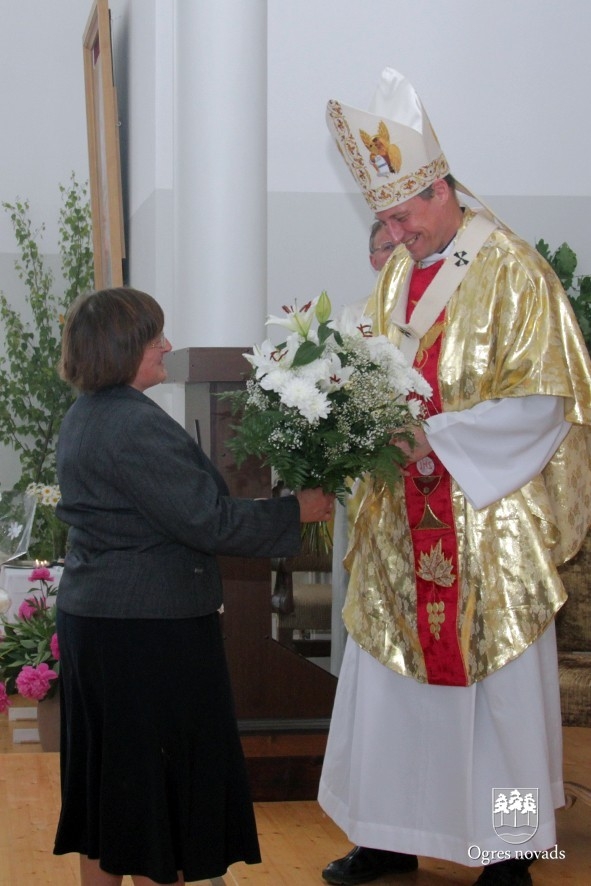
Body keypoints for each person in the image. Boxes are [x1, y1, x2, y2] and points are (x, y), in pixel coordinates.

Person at [319, 67, 591, 886]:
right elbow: (374, 363)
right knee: (388, 696)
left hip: (483, 517)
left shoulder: (513, 270)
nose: (394, 236)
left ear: (439, 190)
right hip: (401, 519)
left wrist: (432, 439)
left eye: (402, 216)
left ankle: (508, 847)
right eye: (386, 221)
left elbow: (545, 400)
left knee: (501, 708)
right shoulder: (402, 271)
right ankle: (387, 833)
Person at [52, 287, 334, 886]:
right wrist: (296, 513)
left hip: (103, 622)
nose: (166, 346)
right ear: (121, 347)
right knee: (159, 793)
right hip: (147, 632)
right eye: (154, 337)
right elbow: (204, 518)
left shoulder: (88, 413)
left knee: (113, 790)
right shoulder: (130, 423)